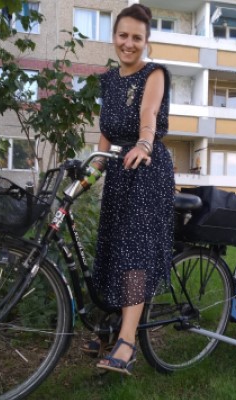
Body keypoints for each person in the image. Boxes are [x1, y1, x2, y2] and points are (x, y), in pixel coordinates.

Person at [86, 4, 175, 376]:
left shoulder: (154, 73)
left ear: (146, 41)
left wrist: (144, 145)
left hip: (147, 169)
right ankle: (111, 327)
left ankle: (127, 341)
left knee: (133, 252)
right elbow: (105, 135)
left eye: (137, 37)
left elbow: (148, 117)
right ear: (113, 36)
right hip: (119, 173)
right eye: (123, 35)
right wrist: (88, 172)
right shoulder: (108, 80)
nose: (129, 43)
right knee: (111, 248)